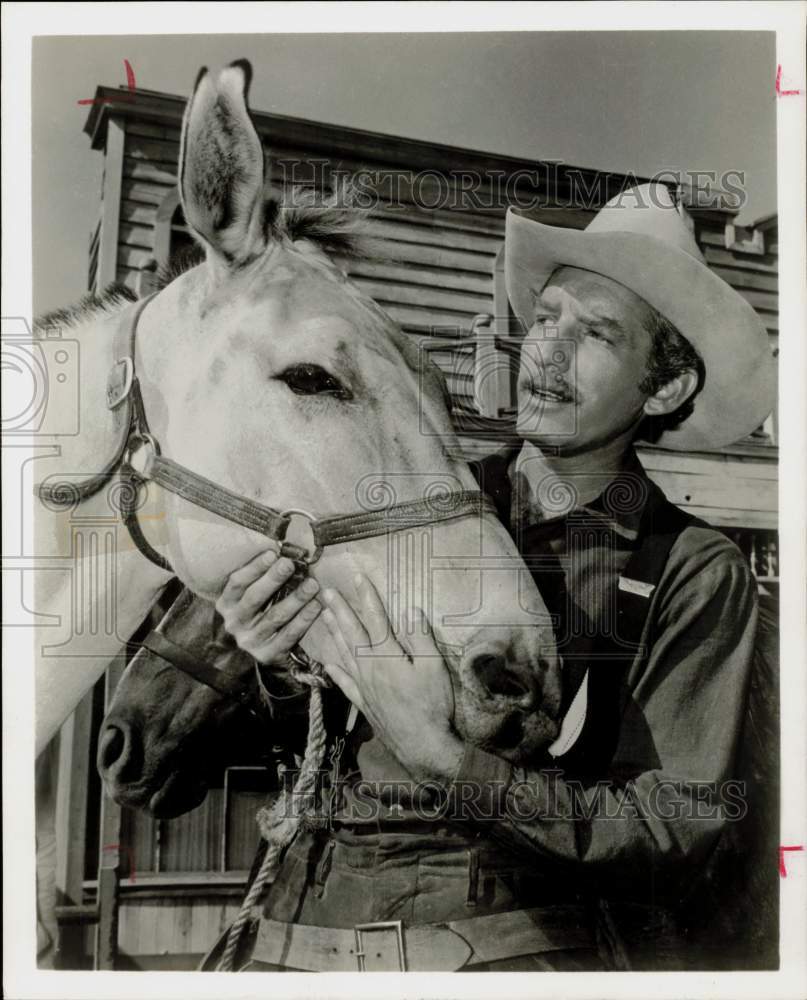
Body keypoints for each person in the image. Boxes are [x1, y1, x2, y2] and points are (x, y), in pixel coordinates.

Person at [215, 183, 776, 971]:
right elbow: (161, 776)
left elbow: (668, 829)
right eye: (545, 318)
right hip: (304, 927)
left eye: (597, 335)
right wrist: (261, 659)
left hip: (516, 945)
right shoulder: (398, 506)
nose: (546, 350)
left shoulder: (688, 570)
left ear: (666, 387)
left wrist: (449, 764)